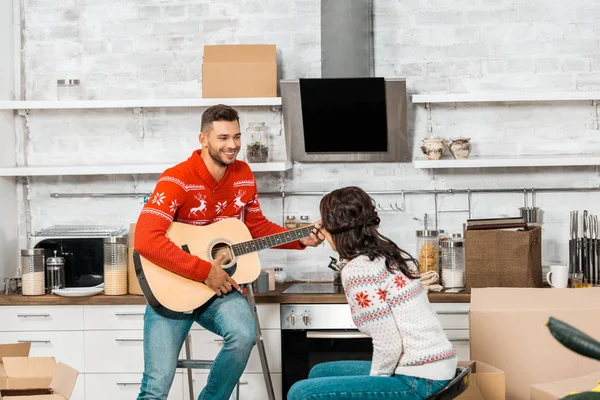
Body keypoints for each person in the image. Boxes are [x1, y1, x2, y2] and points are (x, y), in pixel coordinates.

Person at [134, 104, 323, 400]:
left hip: (218, 289)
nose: (232, 145)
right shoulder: (175, 180)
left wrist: (300, 239)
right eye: (223, 138)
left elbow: (256, 227)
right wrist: (203, 270)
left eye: (236, 136)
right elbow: (145, 238)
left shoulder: (244, 174)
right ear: (203, 139)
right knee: (155, 389)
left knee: (244, 335)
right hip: (171, 289)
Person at [288, 186, 457, 400]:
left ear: (336, 229)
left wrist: (375, 383)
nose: (320, 227)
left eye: (324, 221)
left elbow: (389, 343)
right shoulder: (384, 255)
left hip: (419, 378)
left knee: (300, 393)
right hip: (435, 365)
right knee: (318, 372)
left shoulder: (358, 271)